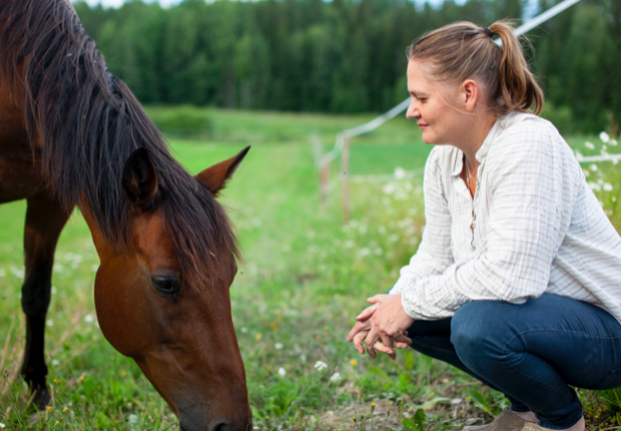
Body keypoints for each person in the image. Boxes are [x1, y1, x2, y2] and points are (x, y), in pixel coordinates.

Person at [347, 20, 621, 431]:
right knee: (417, 311)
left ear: (468, 93)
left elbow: (513, 276)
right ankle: (525, 411)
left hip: (608, 331)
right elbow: (435, 256)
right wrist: (390, 304)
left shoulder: (528, 144)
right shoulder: (444, 159)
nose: (411, 111)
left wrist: (408, 303)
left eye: (421, 97)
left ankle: (560, 422)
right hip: (544, 321)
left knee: (477, 325)